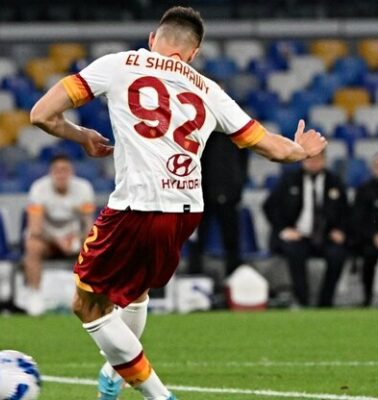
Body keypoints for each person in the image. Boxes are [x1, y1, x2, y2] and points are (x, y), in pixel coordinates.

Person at [30, 6, 326, 400]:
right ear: (193, 53)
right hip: (185, 212)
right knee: (136, 292)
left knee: (88, 304)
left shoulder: (119, 64)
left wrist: (82, 135)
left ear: (153, 39)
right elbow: (273, 148)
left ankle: (159, 396)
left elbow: (41, 115)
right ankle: (113, 374)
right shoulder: (209, 90)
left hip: (137, 206)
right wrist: (301, 150)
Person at [263, 151, 348, 307]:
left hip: (325, 236)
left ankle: (326, 302)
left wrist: (340, 230)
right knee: (294, 252)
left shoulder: (335, 181)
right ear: (302, 160)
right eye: (310, 160)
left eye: (317, 160)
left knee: (338, 254)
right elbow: (270, 207)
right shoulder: (289, 180)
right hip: (298, 235)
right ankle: (303, 301)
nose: (313, 163)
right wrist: (284, 229)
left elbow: (345, 211)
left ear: (324, 160)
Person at [23, 154, 96, 316]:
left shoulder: (84, 188)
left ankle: (90, 296)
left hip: (74, 239)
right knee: (32, 245)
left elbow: (89, 226)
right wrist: (58, 241)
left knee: (95, 245)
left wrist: (77, 240)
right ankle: (35, 295)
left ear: (72, 172)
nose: (61, 174)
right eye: (57, 170)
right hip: (47, 240)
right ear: (51, 173)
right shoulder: (38, 189)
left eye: (65, 170)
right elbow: (35, 228)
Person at [188, 132, 248, 276]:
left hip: (228, 192)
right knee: (196, 238)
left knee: (231, 238)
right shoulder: (199, 130)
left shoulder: (235, 131)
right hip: (201, 193)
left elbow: (242, 161)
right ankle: (194, 275)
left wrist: (237, 186)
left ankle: (234, 276)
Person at [351, 154, 378, 306]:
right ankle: (366, 297)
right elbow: (358, 219)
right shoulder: (364, 190)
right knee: (369, 254)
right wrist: (373, 235)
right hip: (370, 239)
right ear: (373, 168)